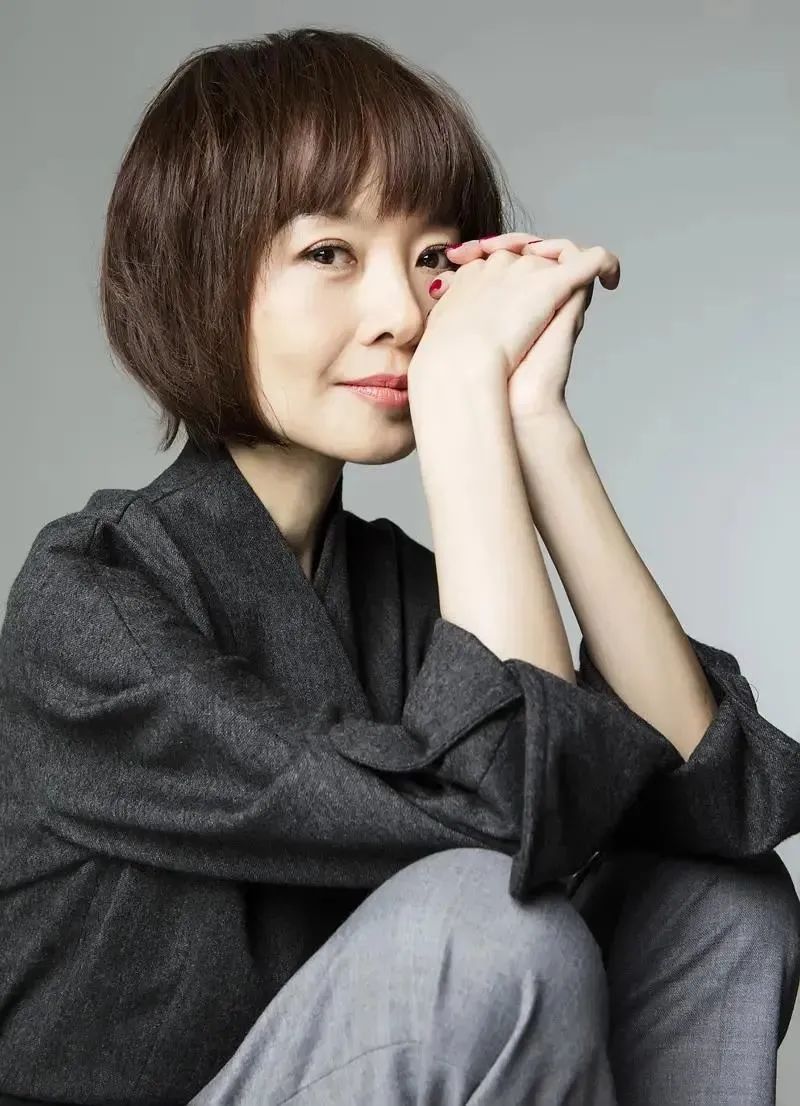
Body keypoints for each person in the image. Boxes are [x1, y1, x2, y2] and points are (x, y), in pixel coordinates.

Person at [1, 25, 798, 1106]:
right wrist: (461, 395)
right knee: (486, 930)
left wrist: (536, 427)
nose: (402, 317)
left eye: (433, 261)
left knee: (724, 902)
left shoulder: (407, 593)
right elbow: (513, 832)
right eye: (328, 253)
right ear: (197, 274)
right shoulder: (93, 597)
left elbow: (724, 801)